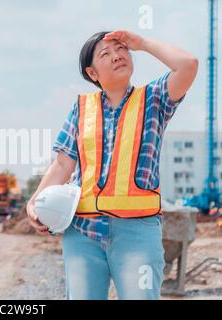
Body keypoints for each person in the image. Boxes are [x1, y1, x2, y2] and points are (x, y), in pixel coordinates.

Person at [27, 30, 198, 300]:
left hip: (138, 234)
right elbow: (62, 163)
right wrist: (34, 202)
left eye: (121, 49)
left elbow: (188, 65)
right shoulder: (82, 108)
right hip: (83, 233)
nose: (117, 55)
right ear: (92, 73)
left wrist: (142, 43)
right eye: (105, 54)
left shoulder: (153, 100)